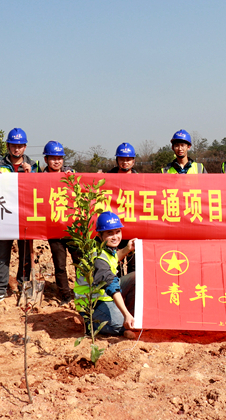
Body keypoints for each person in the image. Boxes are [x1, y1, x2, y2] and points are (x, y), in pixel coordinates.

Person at [0, 127, 40, 306]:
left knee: (25, 254)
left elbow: (39, 189)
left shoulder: (34, 165)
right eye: (13, 145)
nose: (16, 149)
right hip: (5, 216)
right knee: (2, 255)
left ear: (25, 147)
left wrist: (30, 174)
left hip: (25, 216)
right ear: (8, 146)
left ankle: (23, 286)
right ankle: (0, 290)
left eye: (20, 146)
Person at [40, 140, 81, 305]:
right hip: (54, 228)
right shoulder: (40, 179)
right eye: (52, 158)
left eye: (59, 158)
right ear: (46, 160)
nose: (56, 161)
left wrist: (74, 179)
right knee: (60, 265)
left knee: (79, 262)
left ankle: (82, 292)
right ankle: (65, 295)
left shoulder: (72, 175)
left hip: (72, 228)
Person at [86, 212, 137, 336]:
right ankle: (91, 322)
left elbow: (112, 260)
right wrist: (125, 314)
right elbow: (111, 285)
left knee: (136, 277)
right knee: (121, 326)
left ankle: (131, 317)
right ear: (100, 235)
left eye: (117, 232)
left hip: (105, 294)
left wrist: (127, 249)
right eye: (110, 233)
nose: (115, 237)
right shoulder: (97, 256)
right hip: (94, 302)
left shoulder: (105, 248)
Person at [107, 142, 138, 276]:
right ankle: (117, 291)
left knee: (133, 264)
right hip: (114, 227)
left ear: (133, 161)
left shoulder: (141, 180)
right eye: (122, 159)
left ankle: (132, 293)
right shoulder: (107, 178)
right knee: (115, 263)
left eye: (128, 159)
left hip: (134, 226)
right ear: (117, 160)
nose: (125, 162)